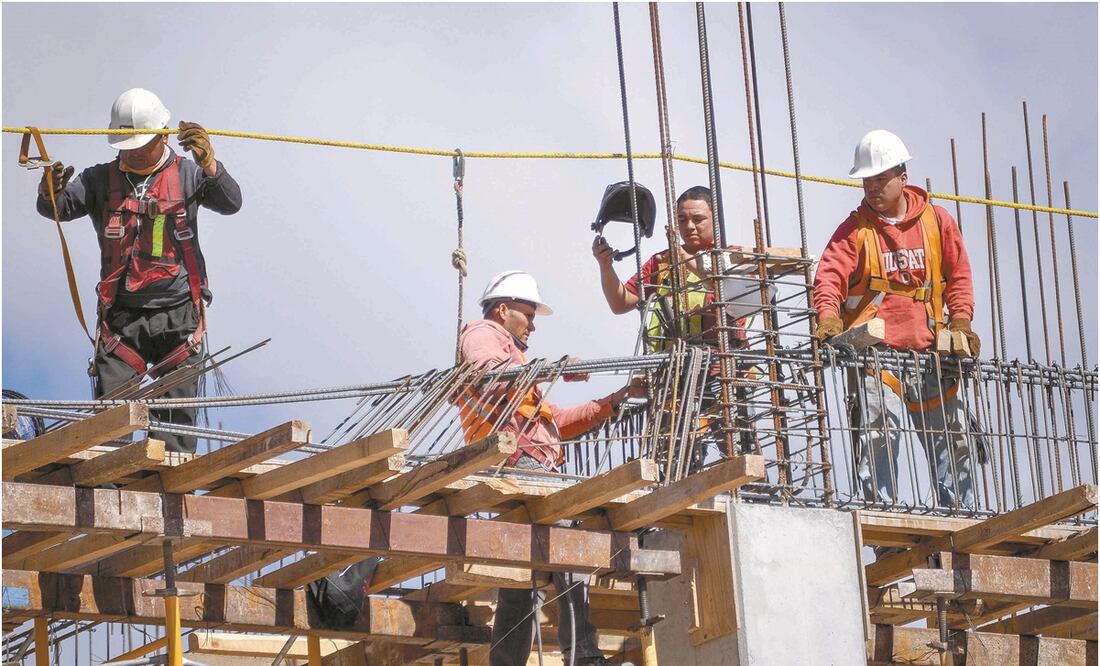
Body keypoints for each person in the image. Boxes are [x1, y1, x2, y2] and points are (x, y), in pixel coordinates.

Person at [35, 88, 242, 453]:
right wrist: (49, 191)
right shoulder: (100, 180)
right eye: (124, 144)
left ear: (162, 135)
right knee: (108, 431)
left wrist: (211, 165)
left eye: (139, 144)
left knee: (175, 439)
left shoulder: (189, 176)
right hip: (121, 322)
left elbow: (231, 202)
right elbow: (57, 208)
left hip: (178, 318)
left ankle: (171, 500)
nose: (130, 151)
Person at [457, 270, 641, 666]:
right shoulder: (483, 333)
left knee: (522, 579)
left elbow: (555, 418)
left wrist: (614, 400)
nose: (534, 323)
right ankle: (583, 655)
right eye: (529, 313)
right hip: (515, 462)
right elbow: (489, 375)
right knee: (568, 551)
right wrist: (553, 368)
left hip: (526, 463)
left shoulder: (517, 358)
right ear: (503, 310)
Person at [813, 129, 984, 511]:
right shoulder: (855, 230)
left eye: (880, 178)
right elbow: (828, 277)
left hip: (932, 354)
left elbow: (959, 275)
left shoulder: (937, 222)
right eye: (867, 180)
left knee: (952, 442)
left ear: (903, 178)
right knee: (878, 439)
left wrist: (960, 321)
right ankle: (885, 520)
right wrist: (828, 317)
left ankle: (963, 515)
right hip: (879, 357)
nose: (872, 187)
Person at [592, 185, 747, 351]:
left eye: (698, 219)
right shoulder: (663, 262)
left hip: (720, 365)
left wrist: (682, 256)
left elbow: (720, 286)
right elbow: (620, 304)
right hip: (669, 367)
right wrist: (605, 265)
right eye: (682, 220)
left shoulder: (733, 257)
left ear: (715, 220)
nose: (689, 226)